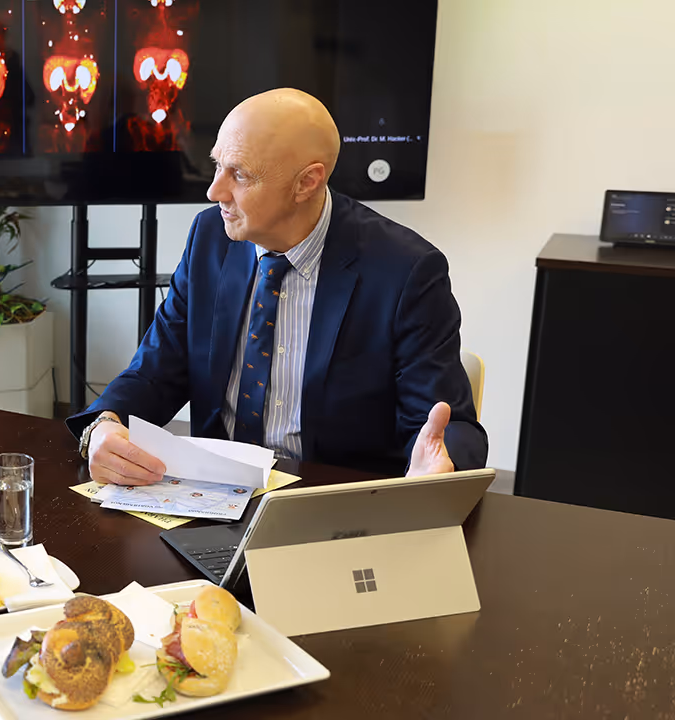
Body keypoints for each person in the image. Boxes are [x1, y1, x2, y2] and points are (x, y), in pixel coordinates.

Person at [69, 88, 486, 484]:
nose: (215, 191)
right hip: (215, 494)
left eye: (240, 175)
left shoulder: (406, 272)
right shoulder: (209, 239)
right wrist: (104, 424)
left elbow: (448, 428)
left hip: (330, 505)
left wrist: (439, 471)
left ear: (307, 182)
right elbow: (156, 370)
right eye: (217, 165)